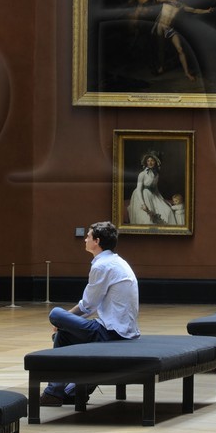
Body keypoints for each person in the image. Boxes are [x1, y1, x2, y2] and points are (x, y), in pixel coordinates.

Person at [41, 221, 139, 406]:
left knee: (55, 314)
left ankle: (55, 392)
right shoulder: (116, 261)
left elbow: (88, 305)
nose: (85, 239)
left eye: (88, 236)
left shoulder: (102, 266)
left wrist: (62, 319)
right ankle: (60, 393)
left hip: (111, 332)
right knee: (62, 335)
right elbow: (91, 306)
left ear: (97, 241)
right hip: (123, 330)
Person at [126, 151, 175, 225]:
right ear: (146, 162)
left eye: (152, 160)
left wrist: (162, 200)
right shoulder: (142, 174)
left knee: (168, 211)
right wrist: (143, 204)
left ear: (155, 162)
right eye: (148, 161)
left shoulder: (156, 175)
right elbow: (139, 190)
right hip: (142, 195)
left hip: (153, 195)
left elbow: (156, 189)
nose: (150, 162)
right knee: (148, 219)